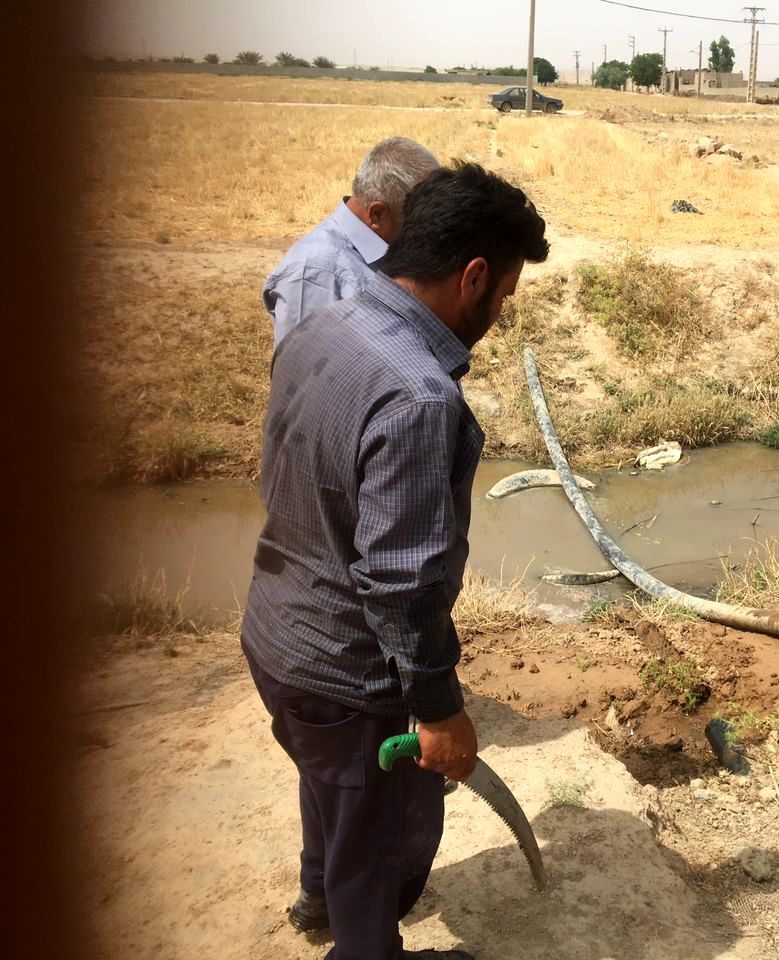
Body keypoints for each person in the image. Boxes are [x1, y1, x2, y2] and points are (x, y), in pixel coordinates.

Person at [242, 161, 549, 960]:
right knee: (383, 851)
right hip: (349, 675)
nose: (500, 313)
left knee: (336, 797)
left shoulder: (323, 325)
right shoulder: (417, 394)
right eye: (504, 295)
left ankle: (322, 898)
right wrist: (441, 708)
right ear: (472, 276)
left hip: (276, 637)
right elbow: (402, 581)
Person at [262, 136, 440, 348]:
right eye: (417, 220)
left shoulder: (387, 248)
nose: (426, 230)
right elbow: (304, 374)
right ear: (377, 214)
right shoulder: (314, 274)